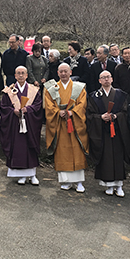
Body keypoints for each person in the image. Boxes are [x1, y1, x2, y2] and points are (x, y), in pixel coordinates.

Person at [44, 63, 89, 192]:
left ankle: (79, 182)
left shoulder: (79, 87)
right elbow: (49, 106)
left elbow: (82, 104)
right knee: (62, 151)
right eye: (61, 71)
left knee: (77, 150)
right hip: (59, 124)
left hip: (74, 123)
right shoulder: (52, 88)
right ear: (57, 73)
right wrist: (58, 112)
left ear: (70, 72)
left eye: (66, 71)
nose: (63, 74)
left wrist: (71, 112)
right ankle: (66, 182)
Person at [87, 71, 130, 197]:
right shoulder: (94, 96)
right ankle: (108, 185)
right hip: (102, 131)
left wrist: (116, 116)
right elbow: (89, 115)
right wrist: (100, 117)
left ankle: (119, 185)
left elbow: (125, 112)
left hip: (117, 131)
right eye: (103, 78)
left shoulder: (121, 94)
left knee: (117, 156)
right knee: (105, 157)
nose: (106, 79)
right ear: (99, 81)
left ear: (112, 79)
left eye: (108, 77)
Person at [0, 66, 43, 185]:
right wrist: (13, 111)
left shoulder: (34, 90)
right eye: (18, 73)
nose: (21, 75)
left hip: (30, 123)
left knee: (30, 147)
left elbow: (38, 106)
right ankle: (21, 175)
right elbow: (4, 107)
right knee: (18, 147)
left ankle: (32, 175)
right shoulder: (9, 90)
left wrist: (28, 110)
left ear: (27, 75)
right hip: (14, 123)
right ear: (15, 75)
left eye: (23, 73)